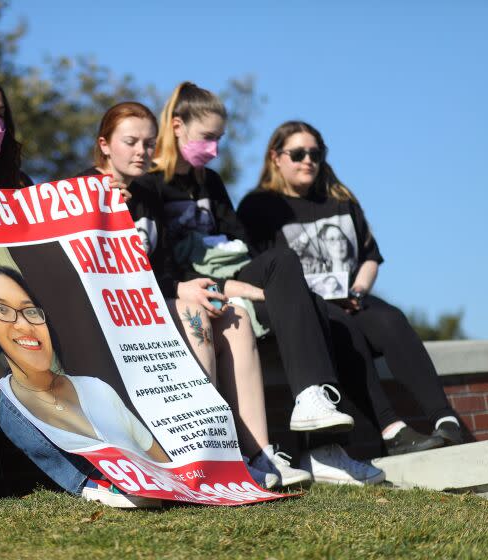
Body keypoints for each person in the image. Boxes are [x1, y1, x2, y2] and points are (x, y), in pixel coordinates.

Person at [129, 83, 385, 485]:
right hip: (196, 287)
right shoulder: (150, 184)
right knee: (301, 295)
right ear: (176, 126)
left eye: (219, 138)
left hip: (233, 277)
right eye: (206, 137)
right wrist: (232, 286)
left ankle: (319, 429)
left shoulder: (210, 182)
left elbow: (243, 243)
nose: (213, 147)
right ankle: (318, 449)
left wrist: (244, 282)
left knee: (301, 288)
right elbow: (161, 264)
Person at [0, 75, 161, 508]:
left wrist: (100, 200)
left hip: (28, 318)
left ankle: (138, 465)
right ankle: (88, 482)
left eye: (0, 114)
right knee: (3, 385)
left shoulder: (19, 182)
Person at [77, 102, 311, 488]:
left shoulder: (148, 193)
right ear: (105, 145)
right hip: (111, 314)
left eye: (149, 143)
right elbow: (87, 272)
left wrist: (185, 287)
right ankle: (208, 452)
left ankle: (259, 455)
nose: (142, 151)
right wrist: (104, 213)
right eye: (130, 142)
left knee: (234, 317)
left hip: (156, 301)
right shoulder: (80, 191)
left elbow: (165, 268)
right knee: (194, 314)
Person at [238, 120, 461, 454]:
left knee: (391, 319)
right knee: (344, 330)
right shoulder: (257, 208)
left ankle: (447, 421)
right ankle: (392, 430)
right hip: (310, 308)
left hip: (351, 297)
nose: (308, 160)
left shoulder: (340, 199)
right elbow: (258, 269)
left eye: (316, 153)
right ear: (276, 157)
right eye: (298, 154)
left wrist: (358, 291)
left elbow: (370, 256)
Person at [0, 265, 171, 463]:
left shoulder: (96, 388)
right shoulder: (7, 407)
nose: (24, 325)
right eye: (0, 308)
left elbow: (160, 460)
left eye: (31, 311)